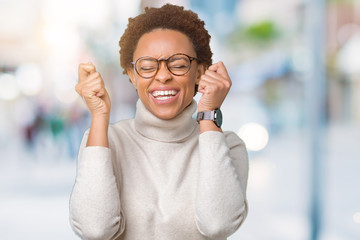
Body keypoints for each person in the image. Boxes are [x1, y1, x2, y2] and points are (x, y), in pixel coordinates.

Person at [70, 4, 248, 240]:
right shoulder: (105, 141)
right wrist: (99, 117)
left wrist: (209, 113)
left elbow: (218, 224)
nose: (163, 75)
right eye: (147, 66)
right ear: (132, 75)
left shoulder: (228, 146)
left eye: (178, 64)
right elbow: (95, 229)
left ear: (200, 72)